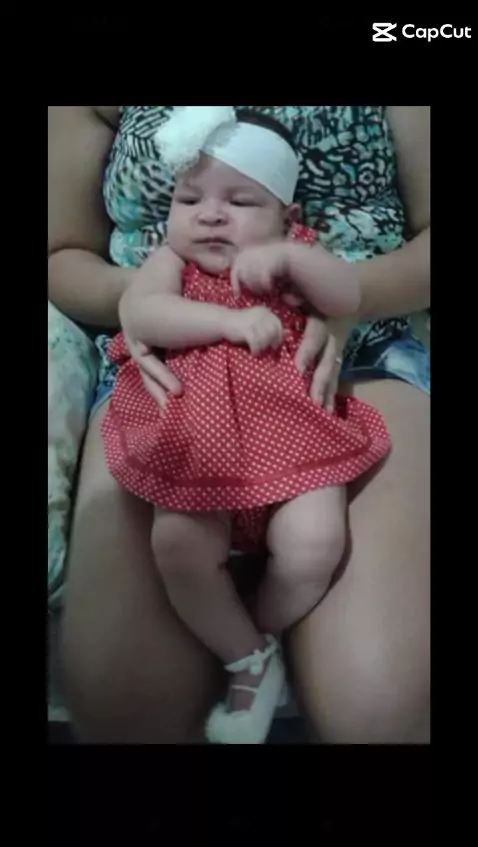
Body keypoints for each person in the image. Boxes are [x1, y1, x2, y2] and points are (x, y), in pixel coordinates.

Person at [48, 106, 430, 744]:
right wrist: (154, 308)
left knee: (378, 708)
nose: (210, 214)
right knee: (126, 704)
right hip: (173, 384)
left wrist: (334, 294)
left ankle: (256, 632)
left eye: (240, 200)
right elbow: (63, 253)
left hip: (341, 370)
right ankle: (246, 650)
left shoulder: (299, 245)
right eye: (189, 198)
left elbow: (356, 281)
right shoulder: (170, 260)